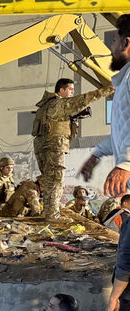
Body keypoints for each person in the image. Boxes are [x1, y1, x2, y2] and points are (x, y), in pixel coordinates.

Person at [32, 78, 112, 219]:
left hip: (43, 147)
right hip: (54, 146)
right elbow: (82, 100)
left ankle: (49, 212)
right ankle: (52, 215)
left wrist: (73, 121)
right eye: (70, 90)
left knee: (49, 180)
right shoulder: (57, 103)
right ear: (61, 90)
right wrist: (107, 90)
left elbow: (64, 131)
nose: (72, 93)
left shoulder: (45, 106)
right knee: (56, 181)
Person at [80, 15, 130, 199]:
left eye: (114, 41)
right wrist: (97, 154)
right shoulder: (124, 81)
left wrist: (126, 164)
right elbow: (122, 129)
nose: (111, 47)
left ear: (126, 43)